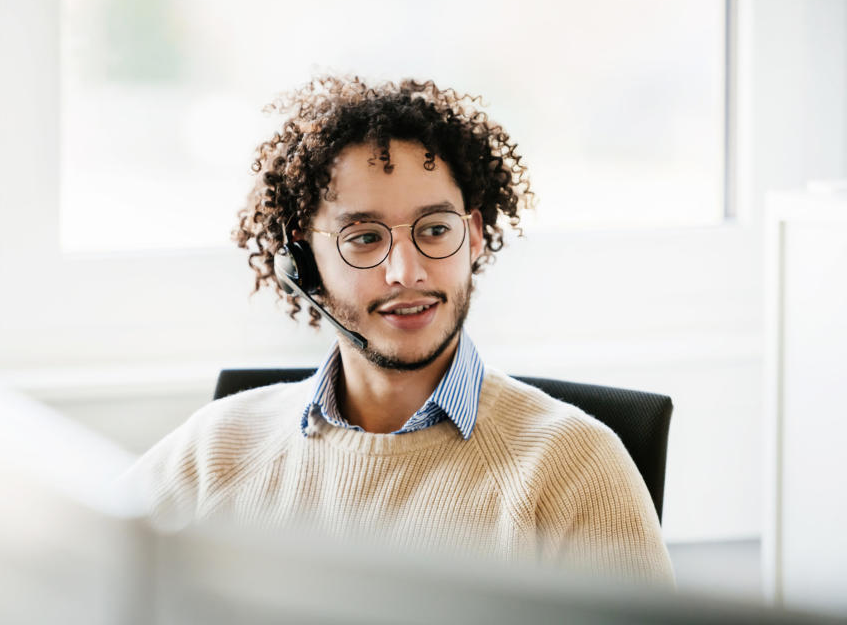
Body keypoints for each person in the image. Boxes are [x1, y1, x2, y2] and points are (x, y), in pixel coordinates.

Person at [123, 76, 674, 585]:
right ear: (303, 259)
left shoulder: (574, 468)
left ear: (475, 236)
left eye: (435, 230)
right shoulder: (218, 448)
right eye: (363, 238)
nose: (406, 272)